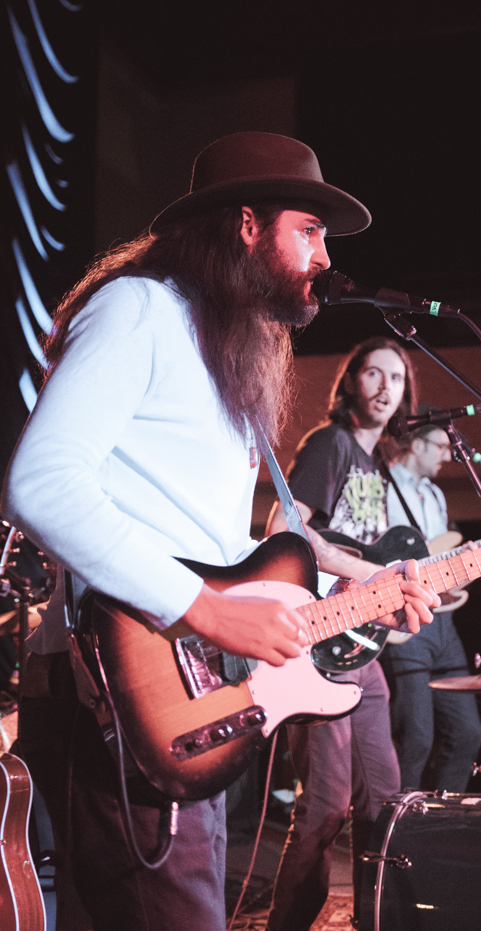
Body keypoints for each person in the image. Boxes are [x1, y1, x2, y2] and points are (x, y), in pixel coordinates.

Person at [0, 133, 438, 931]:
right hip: (121, 687)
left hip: (190, 693)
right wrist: (201, 609)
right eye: (308, 229)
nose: (322, 253)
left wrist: (345, 593)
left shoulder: (225, 347)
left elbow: (218, 552)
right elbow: (40, 483)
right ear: (246, 225)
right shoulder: (139, 309)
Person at [265, 336, 428, 931]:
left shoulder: (377, 466)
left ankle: (378, 918)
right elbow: (283, 531)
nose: (387, 388)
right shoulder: (329, 445)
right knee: (325, 808)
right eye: (374, 374)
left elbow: (374, 552)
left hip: (364, 648)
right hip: (319, 646)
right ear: (350, 382)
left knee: (386, 804)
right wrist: (367, 575)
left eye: (398, 378)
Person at [382, 423, 481, 791]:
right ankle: (397, 828)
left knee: (468, 733)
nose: (446, 454)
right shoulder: (382, 484)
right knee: (416, 738)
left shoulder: (436, 496)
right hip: (405, 617)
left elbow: (438, 559)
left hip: (443, 622)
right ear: (417, 444)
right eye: (440, 446)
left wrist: (468, 562)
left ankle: (441, 822)